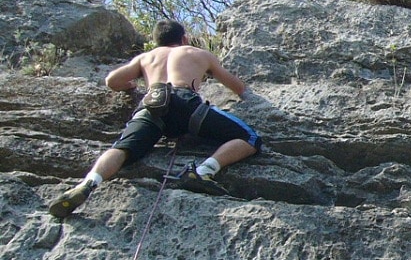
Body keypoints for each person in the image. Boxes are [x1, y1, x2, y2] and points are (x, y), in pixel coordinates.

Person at [48, 20, 262, 218]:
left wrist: (131, 85)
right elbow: (238, 87)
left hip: (152, 105)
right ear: (184, 38)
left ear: (156, 41)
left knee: (122, 148)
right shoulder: (196, 53)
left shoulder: (146, 57)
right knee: (249, 138)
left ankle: (88, 183)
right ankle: (203, 171)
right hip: (186, 104)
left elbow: (112, 80)